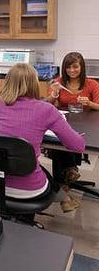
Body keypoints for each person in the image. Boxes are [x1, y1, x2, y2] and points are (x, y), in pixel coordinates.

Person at [0, 64, 85, 202]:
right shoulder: (46, 110)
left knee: (30, 165)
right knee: (36, 169)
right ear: (34, 83)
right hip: (28, 189)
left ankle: (63, 198)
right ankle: (63, 198)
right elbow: (78, 146)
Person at [46, 52, 99, 211]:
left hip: (86, 124)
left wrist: (89, 102)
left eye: (75, 66)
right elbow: (48, 104)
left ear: (81, 67)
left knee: (62, 144)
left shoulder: (92, 84)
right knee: (57, 142)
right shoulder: (58, 82)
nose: (71, 70)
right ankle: (69, 174)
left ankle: (66, 180)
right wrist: (54, 94)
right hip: (64, 122)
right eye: (68, 67)